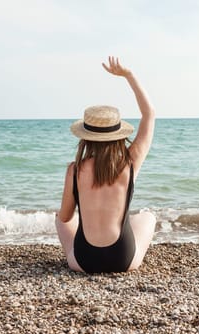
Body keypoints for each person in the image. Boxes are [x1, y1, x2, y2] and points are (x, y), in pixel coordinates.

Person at [55, 56, 156, 273]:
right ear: (119, 135)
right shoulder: (130, 164)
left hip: (84, 262)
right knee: (147, 217)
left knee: (61, 221)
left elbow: (65, 217)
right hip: (124, 260)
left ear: (86, 137)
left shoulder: (75, 170)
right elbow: (149, 115)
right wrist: (129, 75)